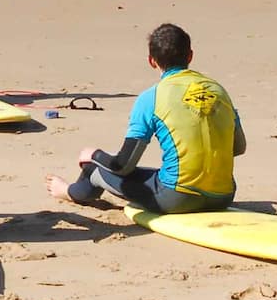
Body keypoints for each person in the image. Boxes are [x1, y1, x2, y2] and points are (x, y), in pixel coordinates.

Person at [47, 23, 243, 215]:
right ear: (190, 55)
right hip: (223, 196)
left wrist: (94, 155)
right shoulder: (219, 91)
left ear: (152, 61)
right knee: (158, 173)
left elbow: (123, 166)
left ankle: (68, 192)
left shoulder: (152, 97)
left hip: (176, 199)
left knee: (94, 168)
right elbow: (238, 147)